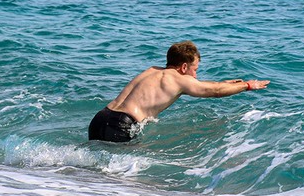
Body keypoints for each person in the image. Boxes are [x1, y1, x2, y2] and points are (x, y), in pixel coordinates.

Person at [88, 41, 270, 142]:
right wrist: (247, 85)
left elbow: (204, 84)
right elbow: (214, 91)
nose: (196, 74)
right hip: (121, 124)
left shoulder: (152, 70)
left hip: (101, 118)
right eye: (195, 69)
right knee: (126, 176)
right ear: (184, 66)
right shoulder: (178, 80)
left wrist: (224, 82)